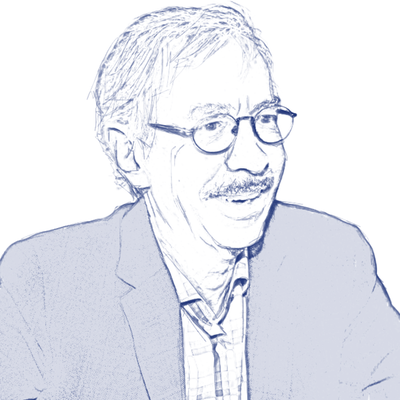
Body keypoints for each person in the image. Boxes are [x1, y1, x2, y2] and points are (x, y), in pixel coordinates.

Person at [0, 4, 399, 400]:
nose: (254, 159)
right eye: (212, 126)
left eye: (265, 118)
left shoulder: (333, 259)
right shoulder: (41, 288)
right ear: (132, 154)